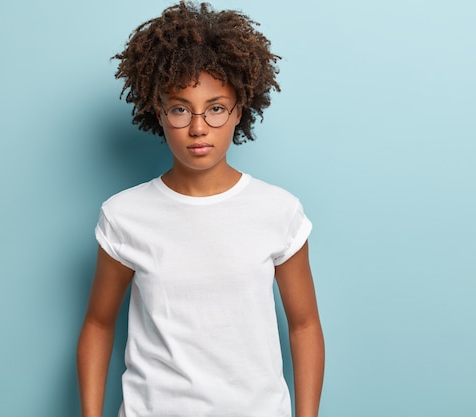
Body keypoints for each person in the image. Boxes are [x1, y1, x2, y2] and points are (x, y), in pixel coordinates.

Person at [76, 2, 325, 416]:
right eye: (179, 108)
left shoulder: (278, 211)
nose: (197, 127)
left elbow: (304, 325)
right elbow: (98, 324)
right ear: (159, 111)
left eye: (215, 108)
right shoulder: (124, 216)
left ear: (238, 112)